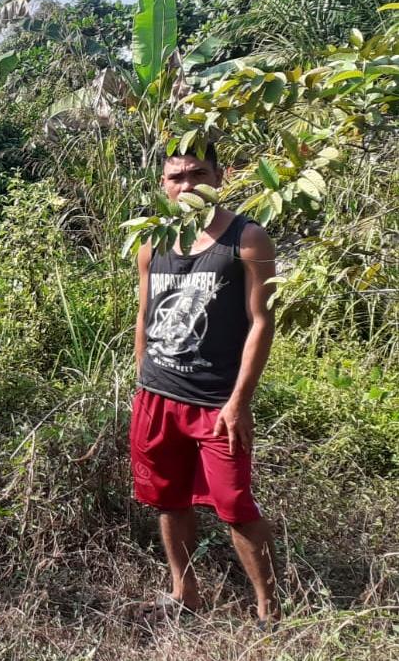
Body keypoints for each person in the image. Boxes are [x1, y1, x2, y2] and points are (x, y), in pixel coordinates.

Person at [131, 144, 280, 626]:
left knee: (235, 505)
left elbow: (262, 323)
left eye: (198, 173)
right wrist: (141, 382)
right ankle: (185, 592)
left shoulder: (246, 239)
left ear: (221, 175)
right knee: (168, 499)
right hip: (157, 396)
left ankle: (268, 610)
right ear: (162, 184)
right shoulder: (152, 243)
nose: (187, 185)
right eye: (176, 176)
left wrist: (239, 402)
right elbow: (145, 314)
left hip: (216, 403)